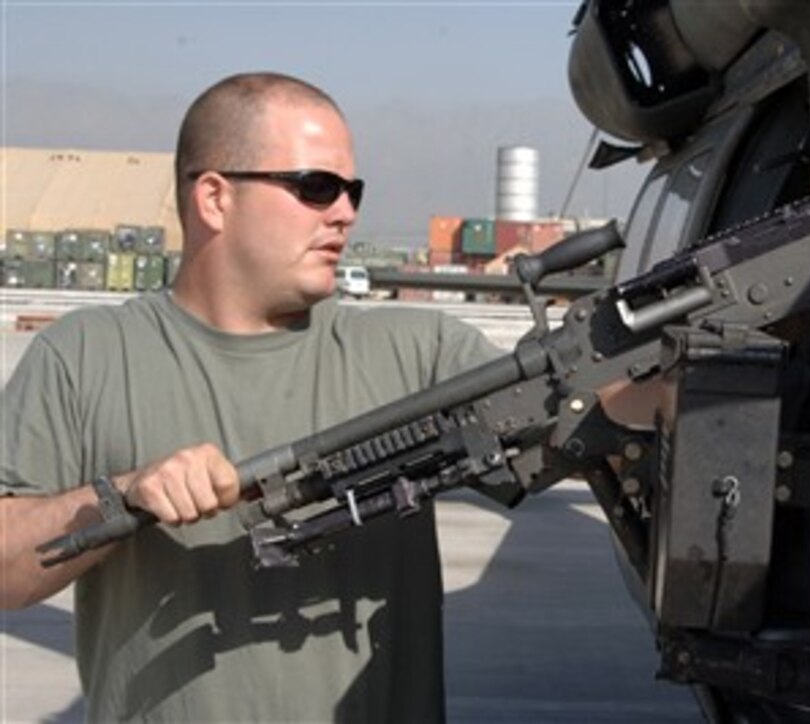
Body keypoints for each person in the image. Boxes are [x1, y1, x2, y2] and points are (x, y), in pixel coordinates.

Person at [0, 72, 499, 722]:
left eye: (354, 191)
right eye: (315, 186)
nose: (344, 212)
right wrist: (122, 495)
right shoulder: (83, 356)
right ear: (214, 197)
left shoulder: (423, 353)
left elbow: (596, 408)